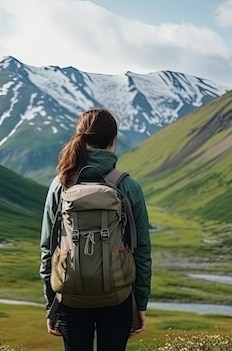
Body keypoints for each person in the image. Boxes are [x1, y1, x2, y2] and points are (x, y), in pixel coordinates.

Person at [39, 108, 152, 351]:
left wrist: (51, 306)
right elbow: (141, 249)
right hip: (118, 297)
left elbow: (48, 249)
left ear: (80, 137)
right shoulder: (128, 186)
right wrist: (139, 304)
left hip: (70, 298)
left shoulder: (60, 184)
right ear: (113, 140)